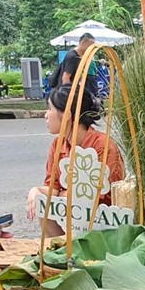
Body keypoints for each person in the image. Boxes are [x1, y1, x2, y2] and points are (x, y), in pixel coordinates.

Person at [26, 84, 125, 236]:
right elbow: (53, 187)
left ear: (67, 115)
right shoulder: (57, 145)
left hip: (102, 223)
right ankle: (58, 252)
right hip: (71, 216)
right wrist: (36, 191)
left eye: (50, 109)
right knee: (42, 202)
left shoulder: (103, 146)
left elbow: (99, 196)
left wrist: (61, 195)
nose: (45, 115)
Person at [59, 32, 99, 99]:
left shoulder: (81, 56)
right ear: (83, 43)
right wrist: (69, 96)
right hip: (67, 91)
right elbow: (65, 77)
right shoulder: (73, 57)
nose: (91, 49)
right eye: (90, 46)